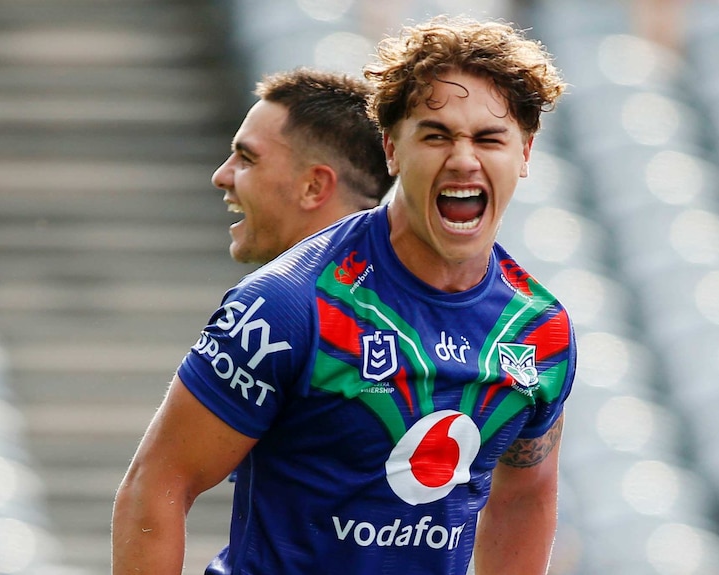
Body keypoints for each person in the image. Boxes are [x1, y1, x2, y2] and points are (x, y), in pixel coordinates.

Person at [112, 15, 575, 575]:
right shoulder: (290, 303)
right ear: (392, 150)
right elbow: (157, 484)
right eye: (436, 134)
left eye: (488, 138)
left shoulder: (540, 330)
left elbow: (525, 495)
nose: (463, 158)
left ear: (524, 154)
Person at [213, 67, 395, 265]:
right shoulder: (400, 287)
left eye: (247, 159)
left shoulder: (266, 295)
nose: (220, 177)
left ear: (313, 187)